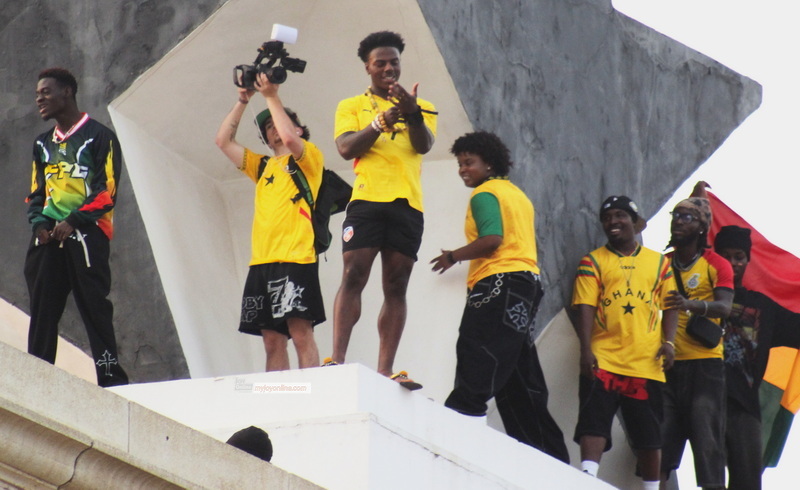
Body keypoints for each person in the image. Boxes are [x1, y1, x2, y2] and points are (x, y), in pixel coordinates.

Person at [430, 131, 569, 463]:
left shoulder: (484, 193)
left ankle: (461, 427)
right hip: (526, 284)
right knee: (517, 371)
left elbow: (492, 239)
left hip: (499, 283)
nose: (463, 169)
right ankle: (548, 457)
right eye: (460, 164)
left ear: (489, 164)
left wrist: (453, 256)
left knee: (477, 352)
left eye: (469, 162)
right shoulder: (517, 195)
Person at [326, 31, 437, 389]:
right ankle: (336, 360)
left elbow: (423, 145)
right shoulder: (350, 105)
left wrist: (412, 113)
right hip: (367, 200)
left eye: (394, 62)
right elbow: (346, 148)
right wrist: (379, 122)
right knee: (353, 274)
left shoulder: (422, 105)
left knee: (396, 285)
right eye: (381, 63)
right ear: (368, 68)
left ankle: (386, 370)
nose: (389, 68)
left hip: (407, 205)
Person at [25, 67, 129, 387]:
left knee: (94, 307)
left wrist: (72, 221)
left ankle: (112, 381)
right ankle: (36, 379)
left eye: (46, 92)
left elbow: (106, 192)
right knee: (42, 310)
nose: (39, 99)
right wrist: (39, 225)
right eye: (37, 94)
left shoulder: (100, 136)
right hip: (49, 238)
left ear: (67, 92)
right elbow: (36, 193)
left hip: (86, 235)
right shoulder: (42, 144)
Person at [215, 72, 323, 371]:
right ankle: (279, 396)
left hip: (295, 257)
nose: (273, 128)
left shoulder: (309, 158)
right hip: (261, 261)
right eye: (268, 127)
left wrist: (272, 96)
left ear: (298, 128)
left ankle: (312, 391)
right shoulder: (262, 166)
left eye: (278, 122)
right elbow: (222, 141)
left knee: (300, 333)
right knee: (271, 340)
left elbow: (289, 139)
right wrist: (242, 100)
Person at [571, 196, 678, 489]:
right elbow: (585, 306)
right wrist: (585, 350)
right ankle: (587, 478)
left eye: (620, 216)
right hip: (604, 357)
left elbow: (671, 306)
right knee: (593, 420)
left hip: (646, 361)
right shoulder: (592, 261)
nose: (613, 222)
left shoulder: (659, 263)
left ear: (634, 221)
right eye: (607, 218)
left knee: (649, 434)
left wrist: (669, 343)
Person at [714, 225, 800, 490]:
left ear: (748, 260)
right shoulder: (700, 297)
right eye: (725, 256)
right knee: (672, 461)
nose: (732, 263)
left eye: (739, 256)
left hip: (744, 405)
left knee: (748, 481)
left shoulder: (764, 307)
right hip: (700, 396)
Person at [660, 193, 734, 490]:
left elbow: (724, 307)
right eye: (675, 215)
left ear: (702, 227)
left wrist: (690, 305)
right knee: (660, 444)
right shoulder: (662, 263)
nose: (678, 221)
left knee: (707, 444)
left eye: (687, 217)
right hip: (666, 364)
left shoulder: (716, 264)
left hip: (705, 368)